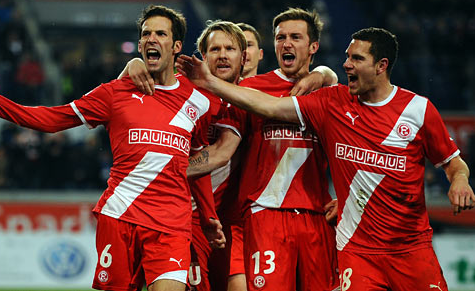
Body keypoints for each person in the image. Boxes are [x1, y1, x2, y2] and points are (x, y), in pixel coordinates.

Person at [176, 26, 475, 290]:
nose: (346, 64)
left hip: (408, 246)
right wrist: (211, 84)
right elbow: (267, 106)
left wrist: (459, 180)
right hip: (350, 248)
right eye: (346, 57)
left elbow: (452, 162)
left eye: (356, 59)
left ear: (382, 65)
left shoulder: (418, 110)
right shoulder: (331, 102)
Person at [0, 5, 224, 291]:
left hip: (171, 223)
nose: (152, 39)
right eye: (146, 34)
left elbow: (199, 163)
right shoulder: (114, 93)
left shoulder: (198, 101)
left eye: (160, 33)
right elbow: (54, 119)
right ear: (138, 44)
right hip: (121, 215)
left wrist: (208, 216)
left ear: (176, 46)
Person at [186, 8, 339, 291]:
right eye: (280, 37)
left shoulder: (330, 93)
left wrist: (323, 74)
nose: (286, 44)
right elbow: (222, 151)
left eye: (295, 37)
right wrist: (168, 169)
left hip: (317, 218)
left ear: (314, 46)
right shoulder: (251, 88)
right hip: (265, 214)